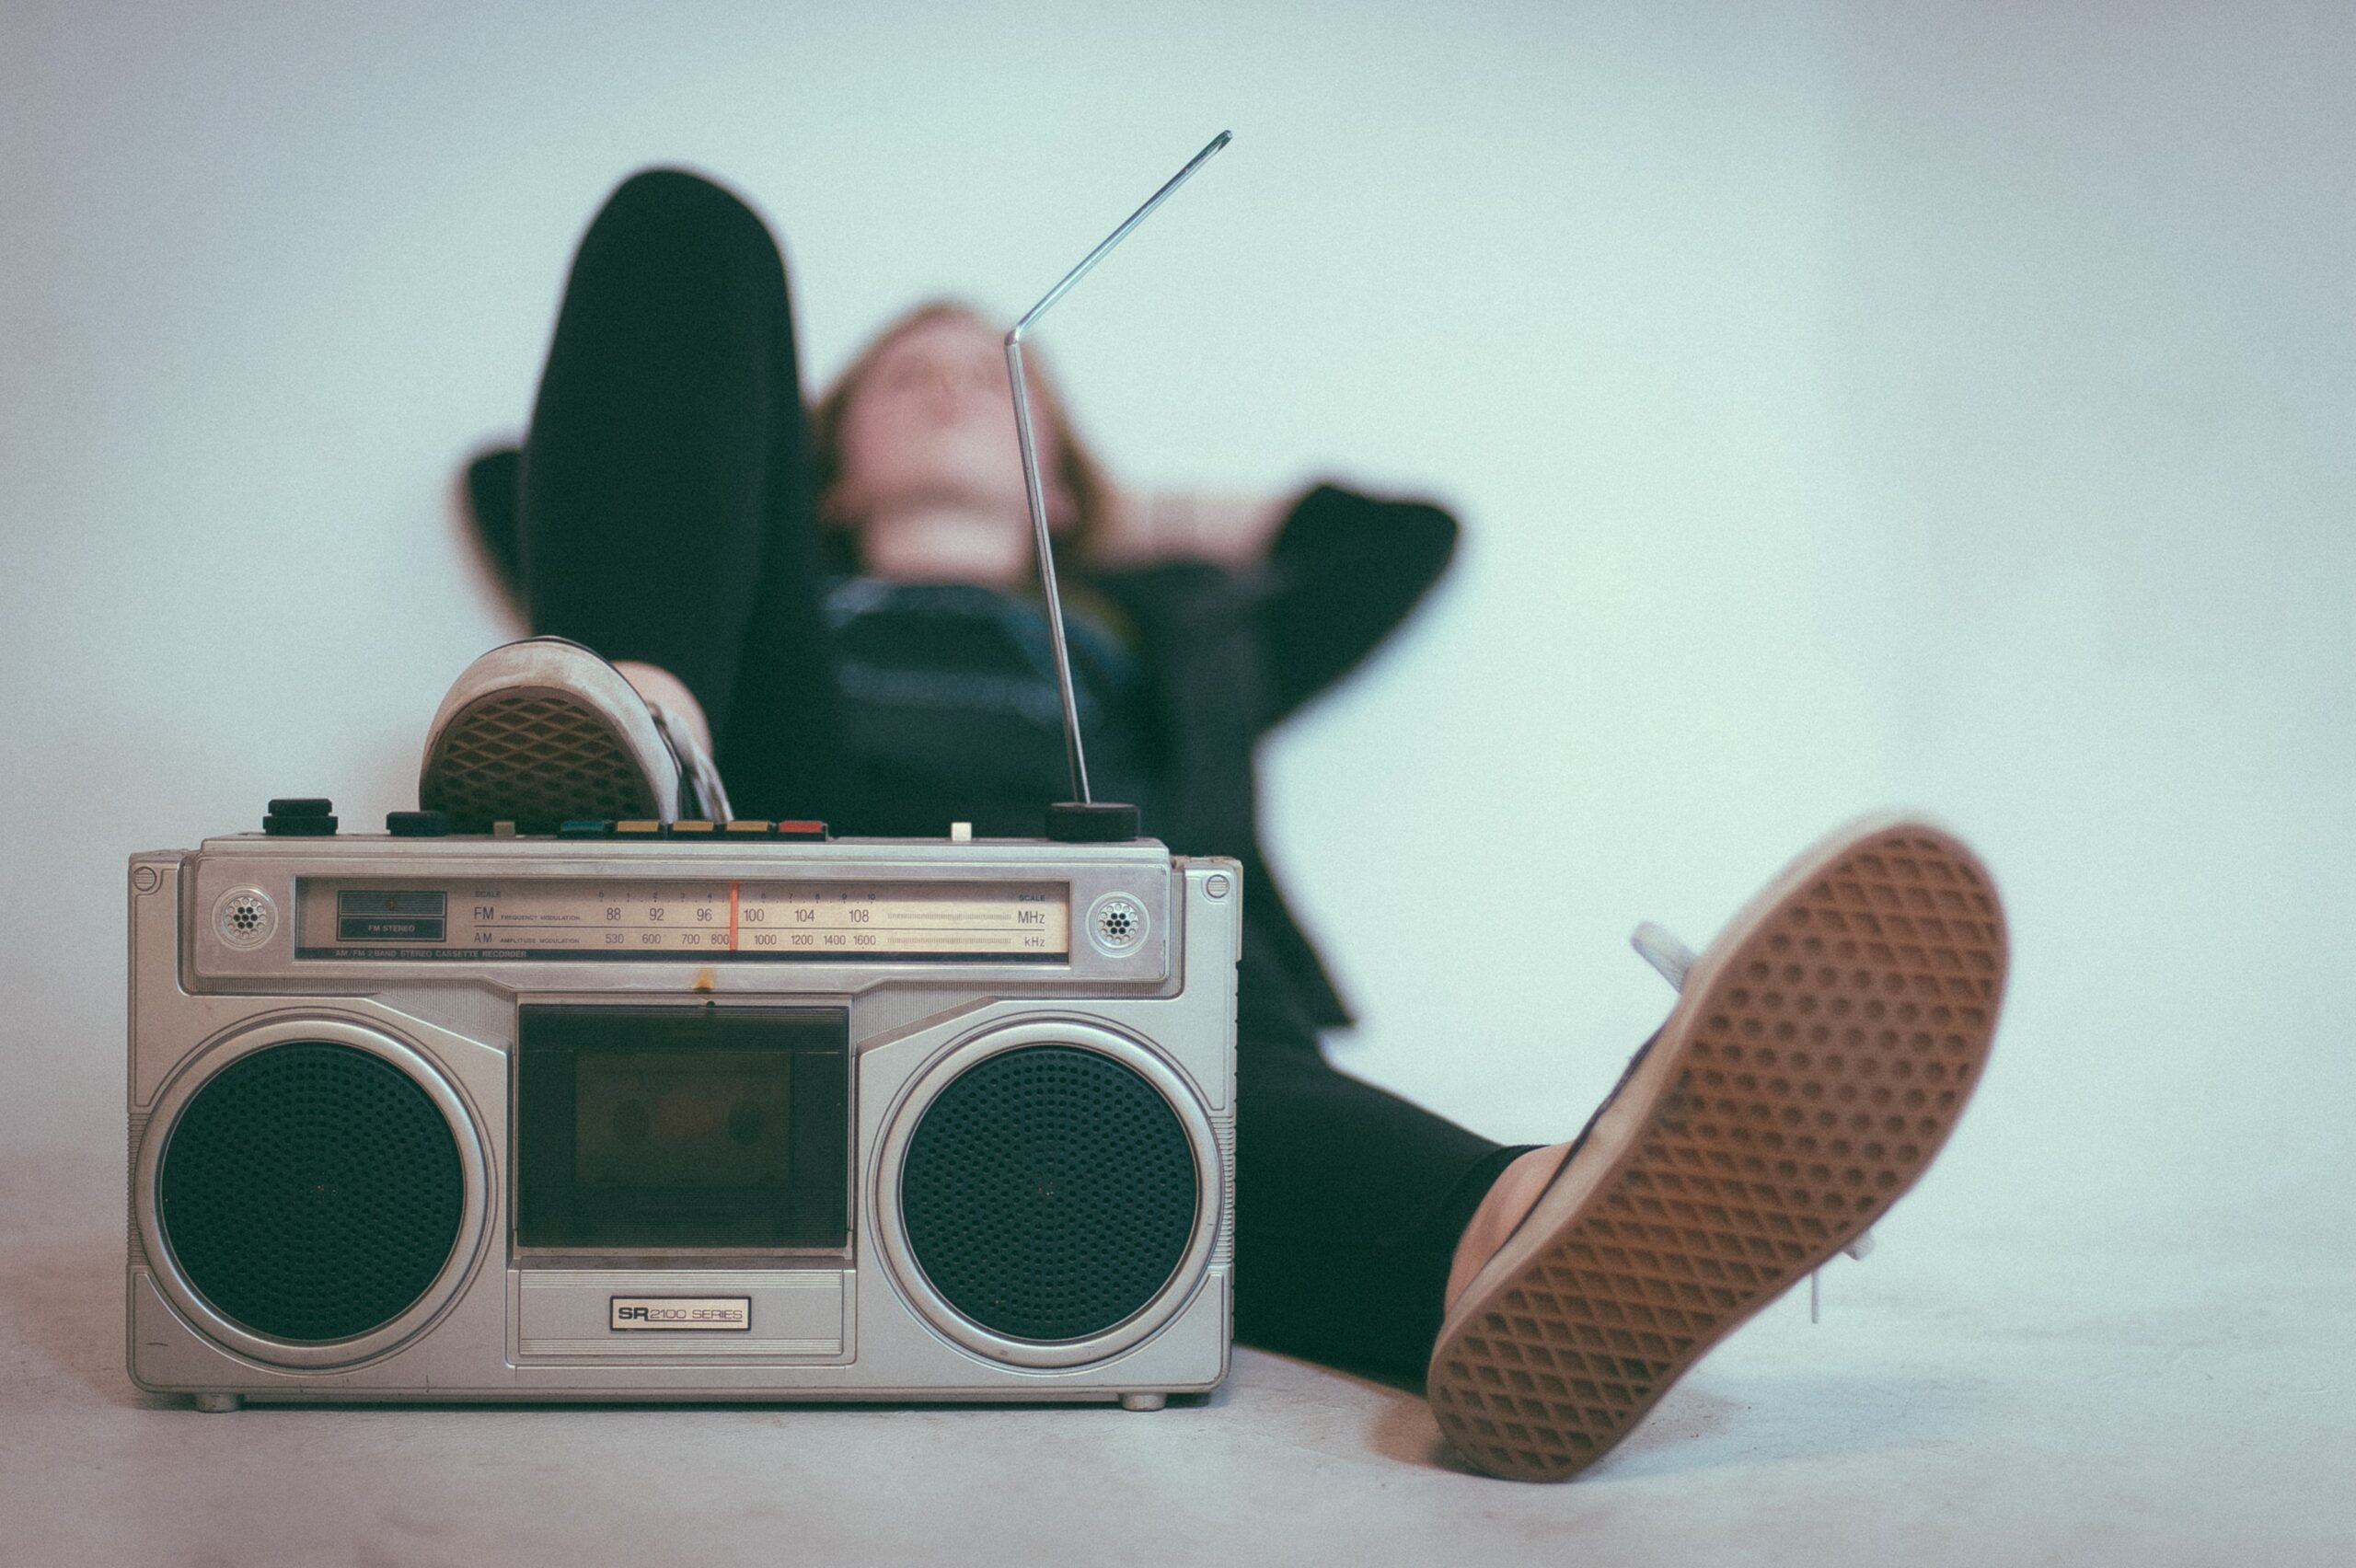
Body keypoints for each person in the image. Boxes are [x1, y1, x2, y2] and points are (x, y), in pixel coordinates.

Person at [429, 167, 2009, 1482]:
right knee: (686, 221)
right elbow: (533, 475)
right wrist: (753, 511)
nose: (945, 382)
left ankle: (1533, 1233)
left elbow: (1401, 541)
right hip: (787, 871)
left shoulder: (1181, 629)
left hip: (1116, 971)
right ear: (821, 455)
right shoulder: (772, 602)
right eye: (902, 378)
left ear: (1064, 486)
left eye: (998, 379)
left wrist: (1119, 514)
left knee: (1207, 1075)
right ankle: (643, 741)